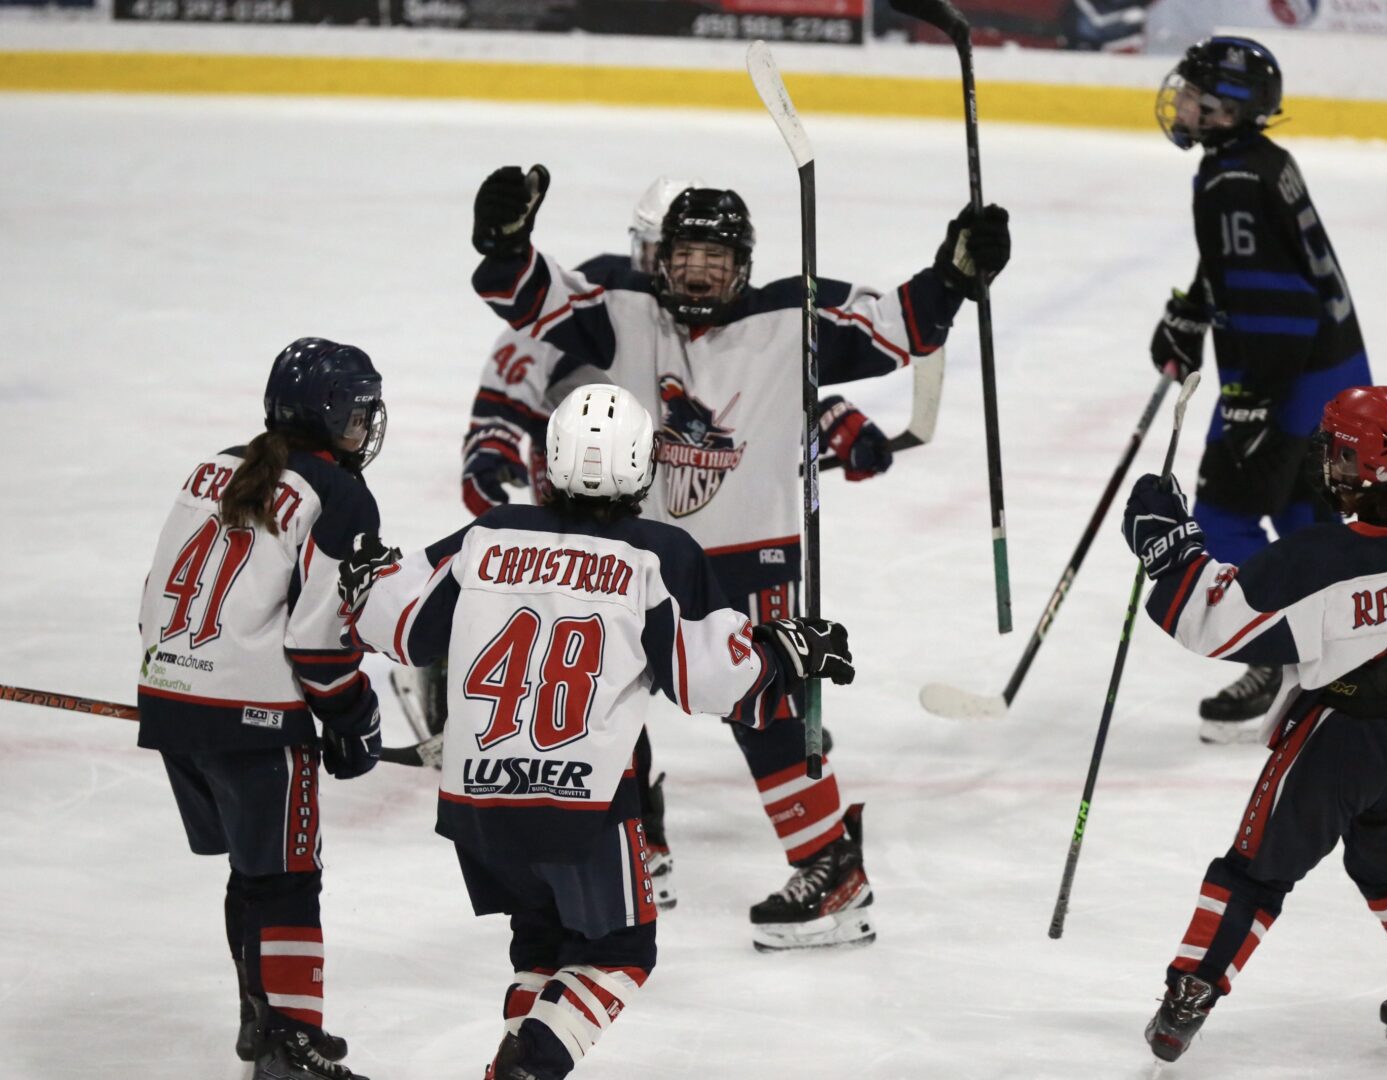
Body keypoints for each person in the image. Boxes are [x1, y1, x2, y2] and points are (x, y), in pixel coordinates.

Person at [459, 163, 1010, 949]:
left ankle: (831, 870)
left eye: (715, 260)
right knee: (603, 696)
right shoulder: (623, 311)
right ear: (662, 259)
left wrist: (955, 274)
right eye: (684, 256)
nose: (697, 272)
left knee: (771, 712)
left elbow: (902, 327)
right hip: (643, 555)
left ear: (744, 265)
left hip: (755, 559)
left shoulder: (795, 316)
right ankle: (630, 848)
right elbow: (529, 299)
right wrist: (506, 240)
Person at [342, 383, 858, 1080]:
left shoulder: (487, 535)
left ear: (548, 464)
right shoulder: (658, 555)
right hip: (582, 809)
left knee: (542, 946)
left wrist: (368, 573)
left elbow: (392, 625)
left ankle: (516, 1067)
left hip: (476, 805)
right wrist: (786, 650)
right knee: (621, 951)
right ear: (643, 468)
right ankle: (529, 1072)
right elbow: (710, 680)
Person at [1119, 384, 1387, 1062]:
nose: (1325, 458)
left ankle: (1191, 994)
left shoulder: (1319, 560)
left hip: (1334, 740)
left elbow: (1208, 619)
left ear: (1356, 467)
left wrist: (1166, 544)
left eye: (1335, 449)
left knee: (1255, 874)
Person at [136, 338, 390, 1080]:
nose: (365, 426)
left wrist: (183, 684)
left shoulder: (213, 466)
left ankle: (263, 1020)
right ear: (331, 413)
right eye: (359, 411)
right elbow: (319, 644)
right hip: (256, 720)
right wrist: (354, 720)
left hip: (173, 700)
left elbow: (153, 589)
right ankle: (289, 1047)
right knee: (285, 878)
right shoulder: (340, 495)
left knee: (255, 874)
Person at [1149, 36, 1374, 742]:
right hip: (1335, 376)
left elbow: (1282, 306)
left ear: (1225, 109)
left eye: (1194, 94)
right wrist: (1194, 305)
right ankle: (1338, 666)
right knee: (1308, 520)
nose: (1180, 102)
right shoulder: (1257, 163)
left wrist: (1252, 398)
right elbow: (1251, 266)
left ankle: (1277, 661)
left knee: (1221, 519)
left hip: (1288, 382)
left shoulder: (1231, 183)